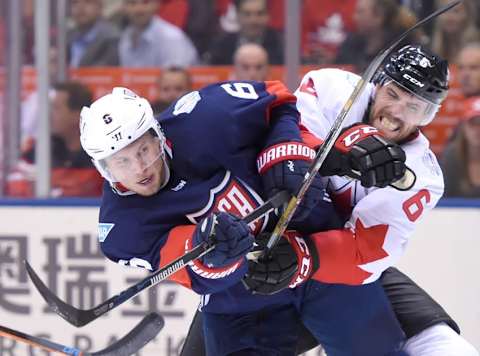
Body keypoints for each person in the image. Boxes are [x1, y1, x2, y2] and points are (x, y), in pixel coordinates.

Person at [180, 44, 479, 356]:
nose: (396, 112)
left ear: (429, 116)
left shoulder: (421, 175)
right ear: (377, 84)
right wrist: (340, 150)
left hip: (333, 267)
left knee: (444, 346)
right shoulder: (332, 90)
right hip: (268, 243)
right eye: (393, 94)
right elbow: (286, 140)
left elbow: (367, 249)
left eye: (415, 107)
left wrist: (303, 256)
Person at [80, 80, 411, 354]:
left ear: (158, 134)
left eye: (143, 150)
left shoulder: (206, 116)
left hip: (318, 254)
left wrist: (283, 153)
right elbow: (193, 272)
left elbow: (279, 98)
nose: (140, 169)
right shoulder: (121, 229)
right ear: (103, 169)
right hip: (243, 303)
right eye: (121, 162)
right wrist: (215, 253)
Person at [7, 82, 103, 197]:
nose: (48, 114)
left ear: (77, 115)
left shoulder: (101, 153)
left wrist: (50, 186)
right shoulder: (38, 150)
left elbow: (89, 189)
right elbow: (15, 184)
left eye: (56, 108)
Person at [118, 0, 198, 67]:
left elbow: (175, 82)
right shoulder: (126, 37)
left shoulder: (172, 38)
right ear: (124, 7)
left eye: (145, 2)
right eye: (132, 3)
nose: (139, 9)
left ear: (156, 5)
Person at [205, 0, 283, 64]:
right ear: (237, 15)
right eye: (247, 14)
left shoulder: (281, 45)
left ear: (268, 16)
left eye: (259, 13)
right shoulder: (221, 45)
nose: (253, 20)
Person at [441, 96, 480, 197]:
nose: (478, 129)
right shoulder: (451, 156)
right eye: (473, 123)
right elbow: (445, 198)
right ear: (463, 127)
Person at [68, 0, 120, 67]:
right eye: (75, 2)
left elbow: (103, 71)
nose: (80, 7)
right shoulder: (67, 37)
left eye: (88, 2)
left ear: (100, 7)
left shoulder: (112, 38)